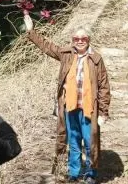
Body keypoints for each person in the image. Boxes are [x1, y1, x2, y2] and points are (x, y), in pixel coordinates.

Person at [24, 15, 110, 184]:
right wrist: (31, 31)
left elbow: (104, 87)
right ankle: (74, 172)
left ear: (89, 40)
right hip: (70, 107)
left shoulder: (96, 59)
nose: (79, 41)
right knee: (73, 141)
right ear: (72, 40)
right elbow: (47, 47)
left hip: (89, 108)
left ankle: (90, 173)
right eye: (76, 39)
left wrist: (103, 112)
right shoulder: (66, 54)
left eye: (83, 38)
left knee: (90, 140)